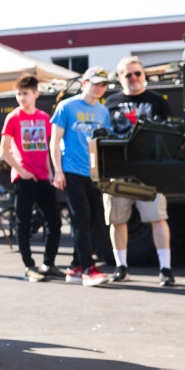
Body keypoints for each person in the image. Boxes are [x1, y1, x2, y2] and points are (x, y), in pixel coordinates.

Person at [103, 56, 176, 286]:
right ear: (120, 78)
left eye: (137, 73)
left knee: (157, 217)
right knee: (117, 219)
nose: (133, 78)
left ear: (144, 75)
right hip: (118, 169)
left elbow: (170, 132)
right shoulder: (109, 102)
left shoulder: (157, 101)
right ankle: (121, 267)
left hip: (149, 171)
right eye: (128, 74)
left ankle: (165, 269)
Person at [50, 67, 114, 287]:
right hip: (71, 171)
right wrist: (58, 170)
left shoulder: (103, 111)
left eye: (103, 84)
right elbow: (54, 140)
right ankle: (88, 268)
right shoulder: (66, 106)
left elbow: (105, 143)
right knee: (81, 218)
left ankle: (75, 267)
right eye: (95, 83)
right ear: (84, 83)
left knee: (93, 218)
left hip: (93, 174)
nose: (99, 88)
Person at [0, 74, 63, 282]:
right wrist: (21, 171)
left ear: (36, 94)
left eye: (25, 93)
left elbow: (45, 147)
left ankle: (49, 263)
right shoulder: (13, 118)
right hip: (23, 176)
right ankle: (29, 266)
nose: (21, 98)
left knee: (54, 221)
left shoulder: (44, 118)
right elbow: (4, 151)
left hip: (43, 177)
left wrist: (51, 171)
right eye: (18, 94)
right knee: (23, 223)